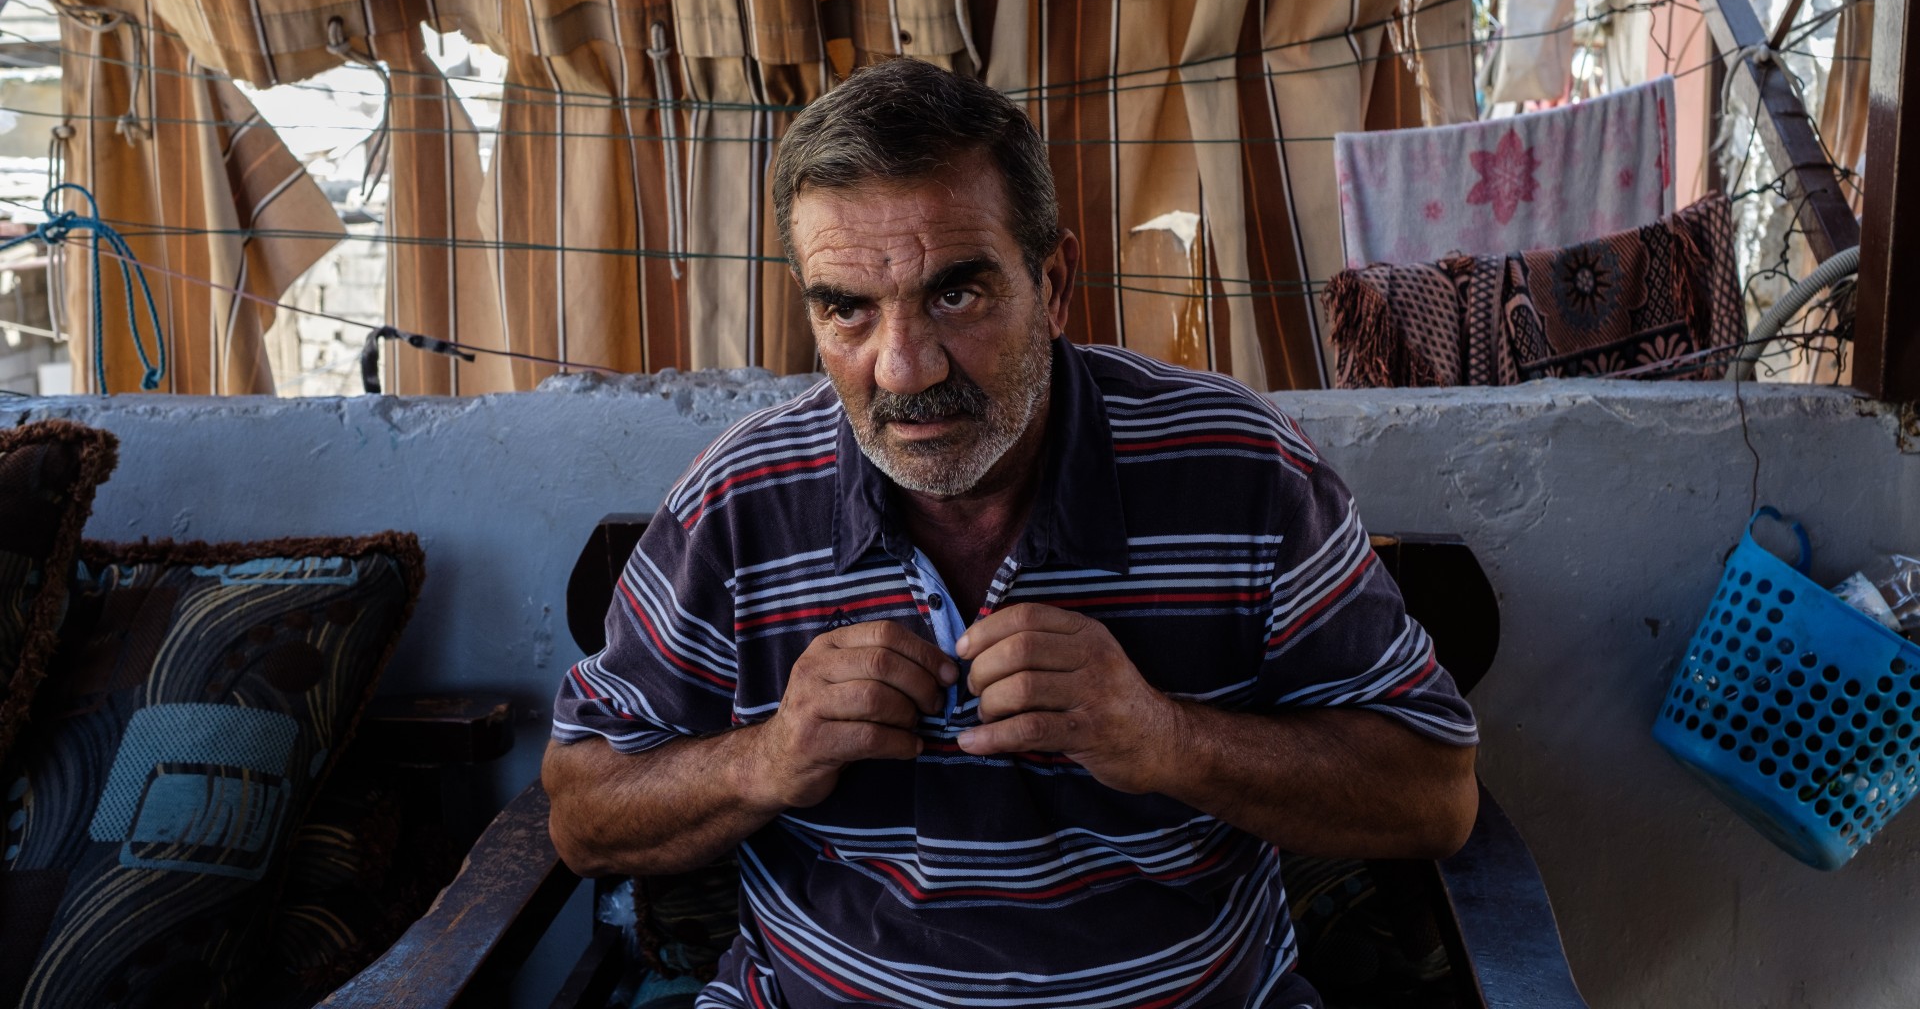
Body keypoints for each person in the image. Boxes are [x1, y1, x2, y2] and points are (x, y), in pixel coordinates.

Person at [544, 58, 1479, 1009]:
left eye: (957, 293)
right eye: (848, 310)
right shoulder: (740, 501)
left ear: (1055, 282)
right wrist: (769, 759)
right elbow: (584, 814)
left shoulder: (1241, 469)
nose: (903, 368)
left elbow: (1434, 793)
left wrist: (1167, 739)